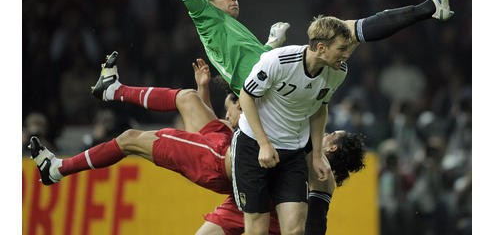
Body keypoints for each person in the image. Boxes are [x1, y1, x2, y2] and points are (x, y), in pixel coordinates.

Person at [145, 0, 453, 234]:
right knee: (346, 33)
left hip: (277, 92)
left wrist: (267, 44)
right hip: (270, 95)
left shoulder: (233, 30)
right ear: (206, 2)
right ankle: (429, 8)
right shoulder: (204, 15)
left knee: (348, 37)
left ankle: (429, 8)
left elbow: (244, 63)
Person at [30, 53, 365, 235]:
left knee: (130, 139)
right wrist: (209, 92)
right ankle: (112, 89)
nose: (327, 133)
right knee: (190, 98)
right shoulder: (323, 179)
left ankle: (56, 168)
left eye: (332, 136)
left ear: (333, 148)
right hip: (239, 179)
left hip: (222, 165)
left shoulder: (314, 160)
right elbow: (316, 223)